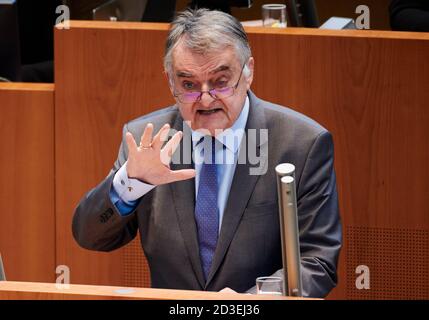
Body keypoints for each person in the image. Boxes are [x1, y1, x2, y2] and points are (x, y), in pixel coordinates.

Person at [72, 8, 342, 298]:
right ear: (170, 81)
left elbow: (317, 262)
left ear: (248, 72)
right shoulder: (147, 142)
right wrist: (131, 183)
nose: (204, 98)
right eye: (188, 84)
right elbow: (90, 236)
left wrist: (250, 301)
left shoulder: (301, 143)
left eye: (220, 82)